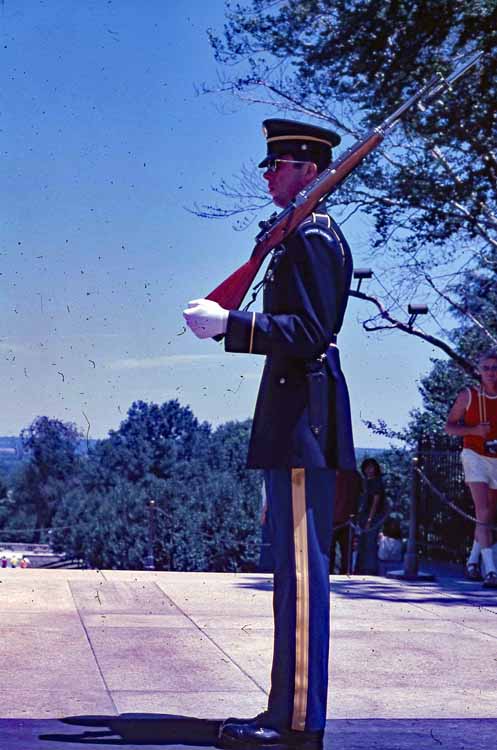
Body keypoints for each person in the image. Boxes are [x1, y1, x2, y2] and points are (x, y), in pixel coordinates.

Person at [184, 118, 355, 750]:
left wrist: (232, 324)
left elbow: (308, 333)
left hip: (305, 419)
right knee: (290, 577)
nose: (267, 174)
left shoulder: (312, 238)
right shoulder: (296, 235)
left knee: (303, 582)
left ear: (309, 171)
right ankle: (285, 710)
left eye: (277, 165)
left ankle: (300, 724)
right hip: (293, 417)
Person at [446, 349, 497, 589]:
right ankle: (491, 570)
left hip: (495, 458)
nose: (491, 373)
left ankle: (472, 562)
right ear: (479, 370)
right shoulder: (469, 396)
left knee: (487, 513)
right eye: (486, 368)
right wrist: (474, 431)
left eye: (495, 368)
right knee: (483, 508)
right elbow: (450, 427)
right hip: (474, 455)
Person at [356, 458, 385, 575]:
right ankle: (361, 569)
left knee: (369, 543)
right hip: (364, 515)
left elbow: (375, 501)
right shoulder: (366, 481)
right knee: (362, 543)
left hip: (372, 516)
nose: (369, 470)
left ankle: (369, 570)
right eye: (367, 467)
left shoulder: (376, 482)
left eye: (371, 467)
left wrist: (370, 519)